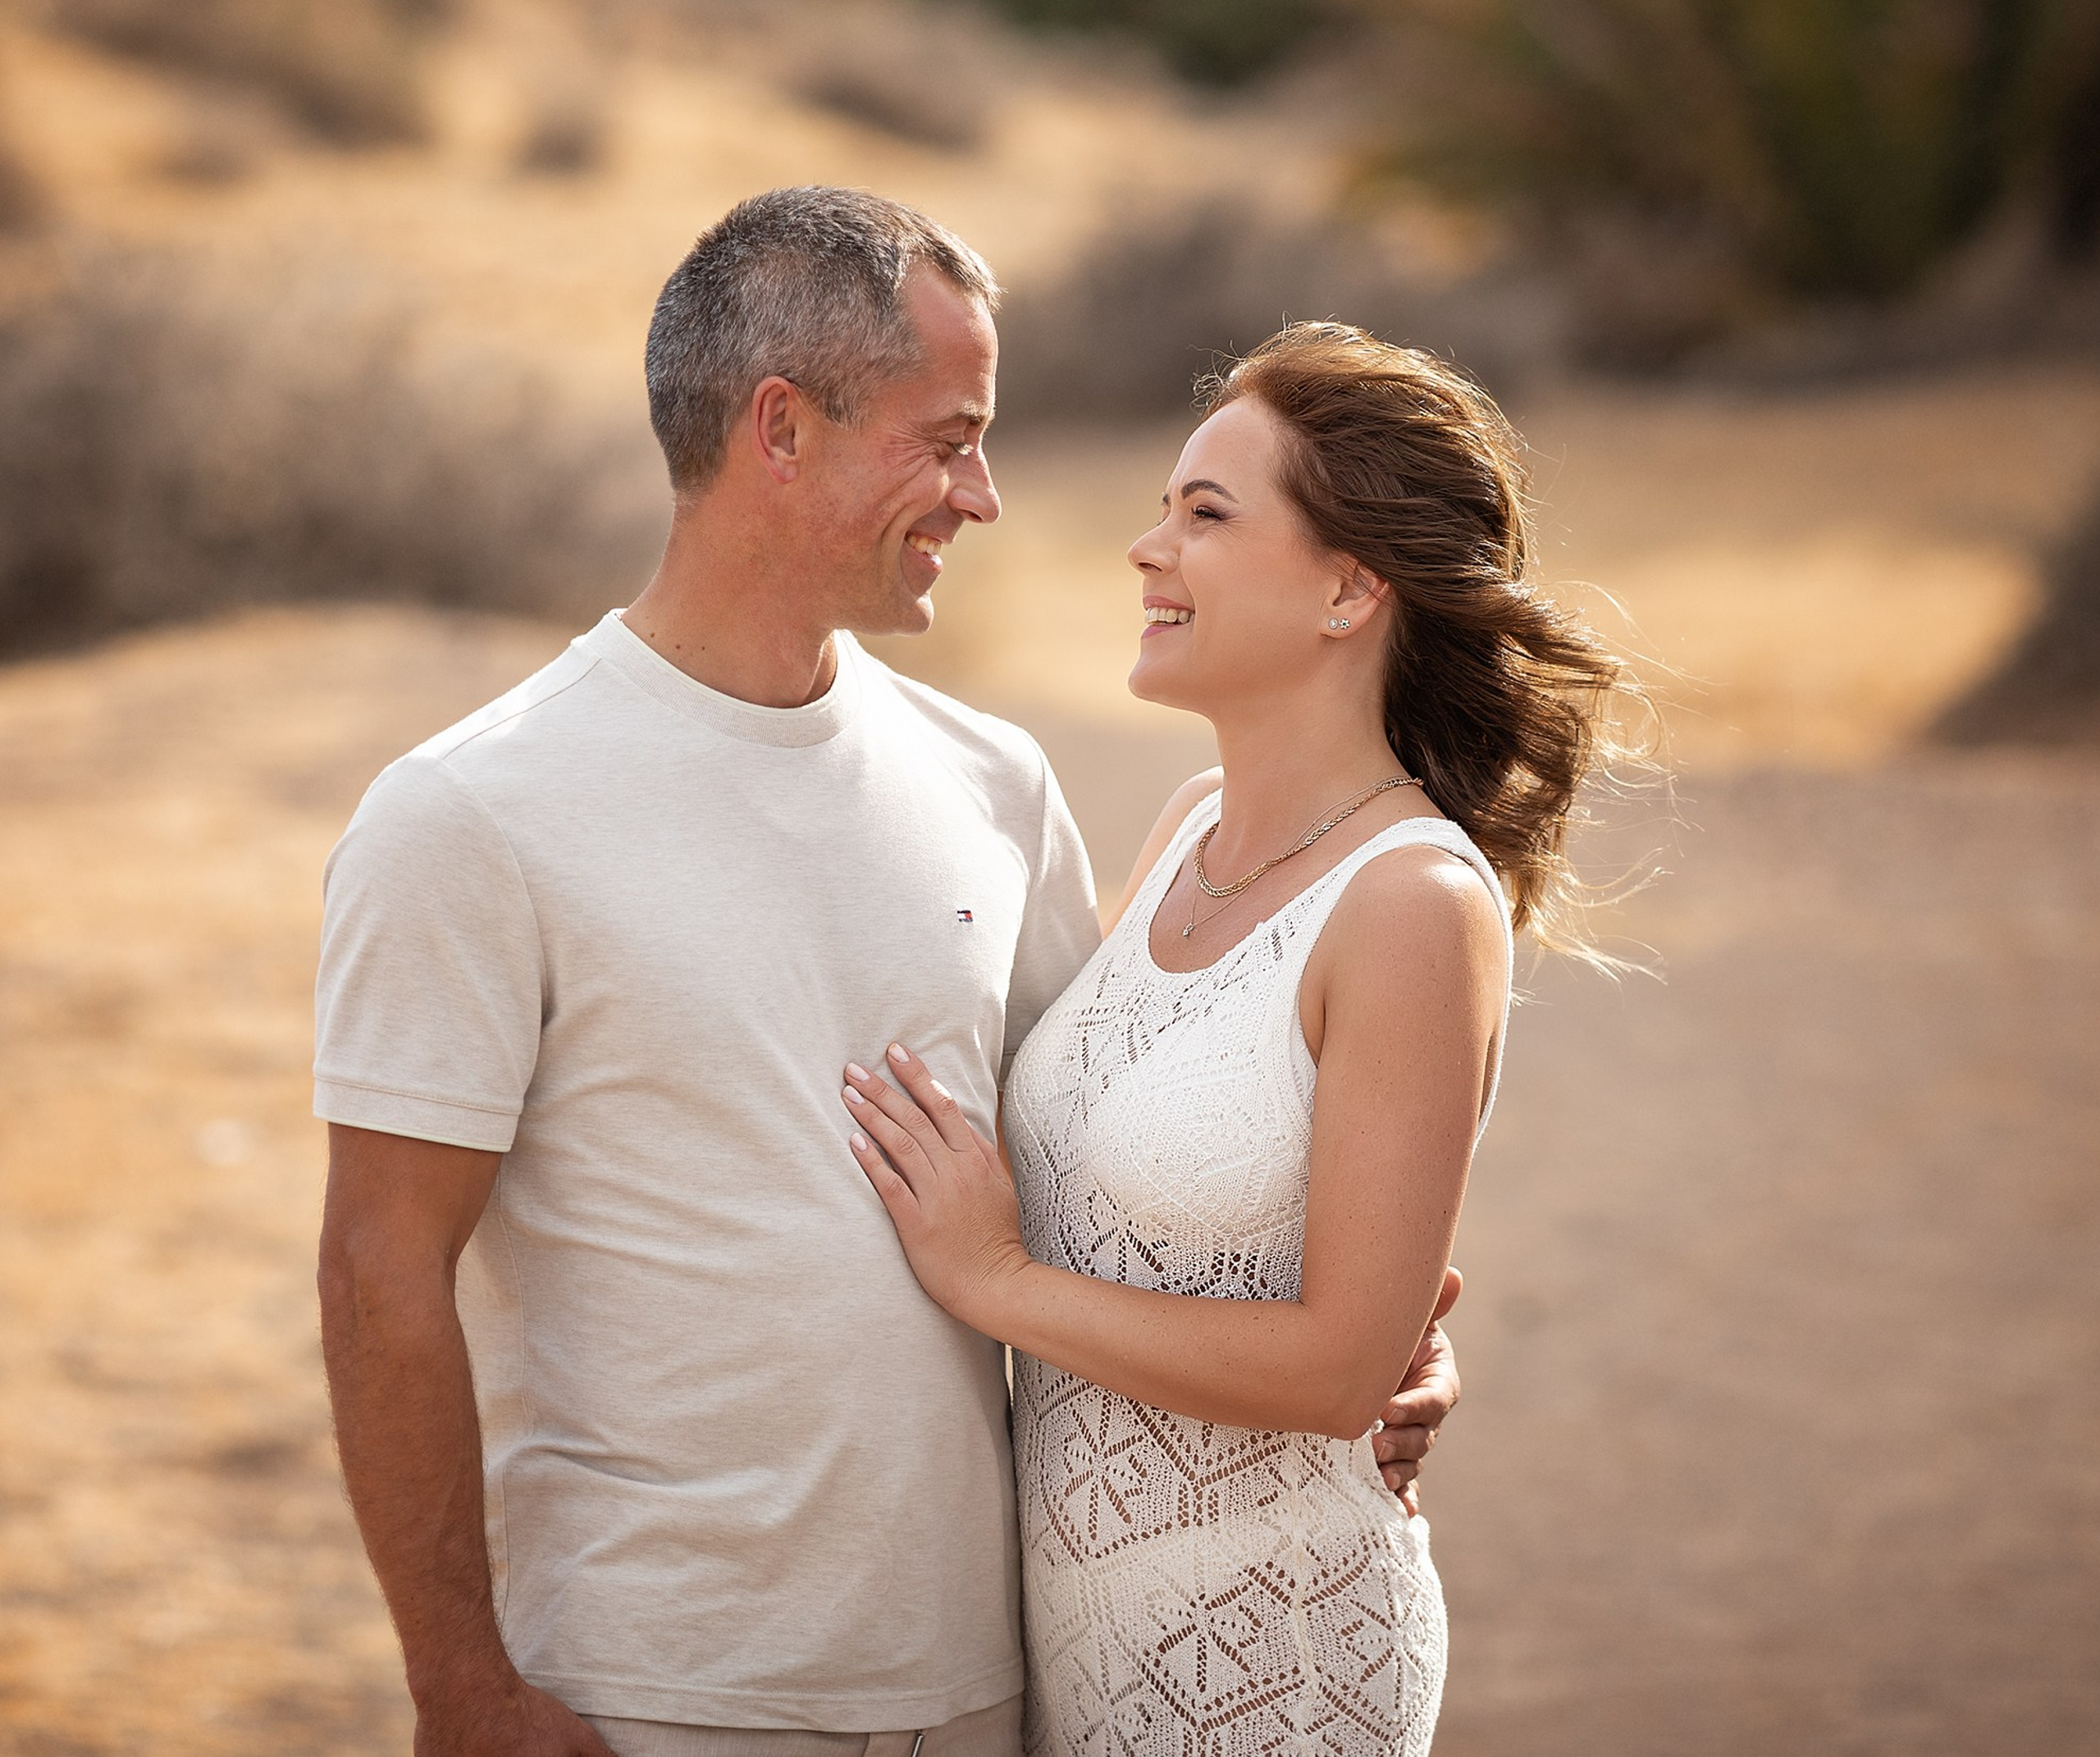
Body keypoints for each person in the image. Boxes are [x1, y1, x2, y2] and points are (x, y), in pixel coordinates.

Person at [313, 189, 1462, 1757]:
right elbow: (380, 1276)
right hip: (660, 1693)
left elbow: (1101, 1173)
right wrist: (460, 1688)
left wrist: (1369, 1338)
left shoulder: (996, 784)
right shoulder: (472, 814)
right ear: (778, 429)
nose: (981, 495)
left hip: (991, 1680)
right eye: (947, 437)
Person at [843, 322, 1641, 1755]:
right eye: (1163, 510)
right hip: (1072, 1636)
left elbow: (1343, 1369)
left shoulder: (1411, 901)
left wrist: (997, 1282)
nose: (1148, 550)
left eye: (1206, 515)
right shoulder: (1179, 840)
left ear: (1349, 588)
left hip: (1273, 1652)